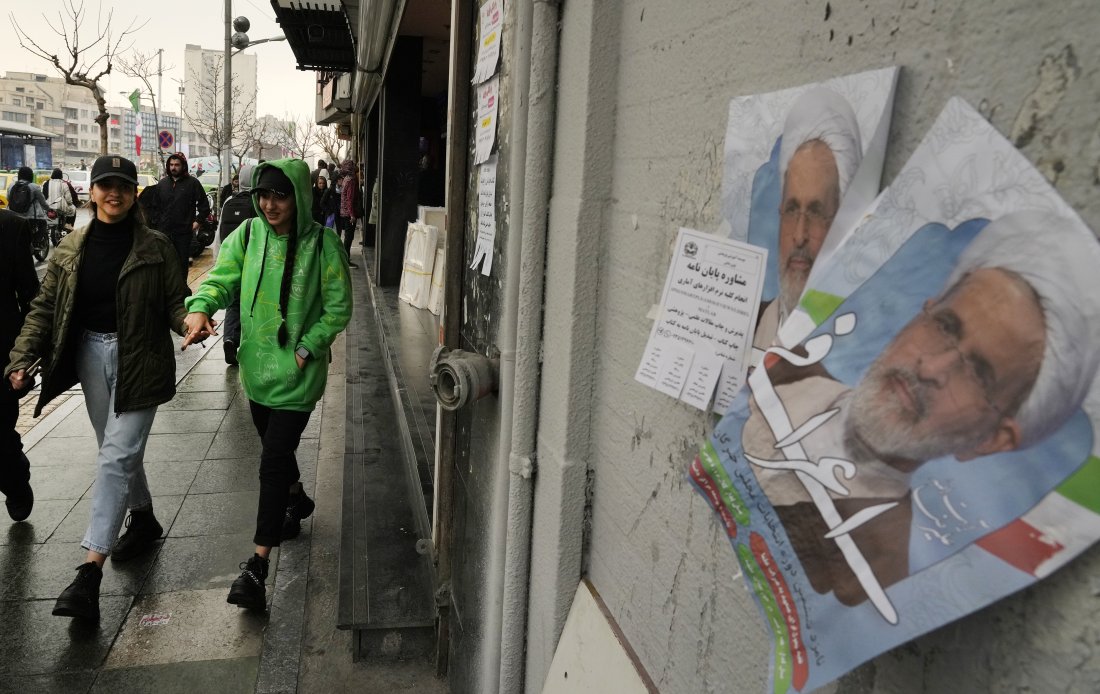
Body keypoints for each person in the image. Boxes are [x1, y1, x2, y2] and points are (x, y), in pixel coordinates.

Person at [743, 210, 1100, 606]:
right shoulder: (782, 363)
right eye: (944, 326)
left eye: (977, 373)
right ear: (920, 314)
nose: (931, 368)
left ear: (992, 440)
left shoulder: (869, 573)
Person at [6, 155, 190, 621]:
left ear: (134, 193)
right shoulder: (71, 247)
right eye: (106, 185)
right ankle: (142, 519)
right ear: (91, 192)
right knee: (115, 448)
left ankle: (89, 571)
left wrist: (190, 321)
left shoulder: (157, 246)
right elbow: (44, 307)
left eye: (123, 186)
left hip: (141, 357)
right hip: (89, 354)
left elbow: (175, 302)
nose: (114, 194)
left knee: (115, 457)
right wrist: (21, 357)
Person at [181, 159, 352, 611]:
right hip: (255, 371)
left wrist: (306, 348)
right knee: (276, 451)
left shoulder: (323, 244)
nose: (270, 204)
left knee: (273, 460)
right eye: (263, 195)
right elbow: (221, 279)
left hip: (298, 375)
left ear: (298, 196)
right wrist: (201, 308)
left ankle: (257, 566)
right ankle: (297, 499)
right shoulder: (247, 235)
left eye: (280, 195)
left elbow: (338, 308)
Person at [753, 88, 862, 353]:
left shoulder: (858, 346)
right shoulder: (752, 324)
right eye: (791, 210)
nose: (800, 235)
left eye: (816, 212)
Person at [0, 209, 39, 522]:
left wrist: (27, 357)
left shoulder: (11, 226)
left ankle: (14, 480)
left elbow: (29, 295)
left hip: (2, 353)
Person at [140, 151, 211, 277]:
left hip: (183, 233)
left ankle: (181, 289)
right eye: (171, 165)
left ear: (183, 166)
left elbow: (204, 206)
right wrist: (157, 224)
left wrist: (197, 222)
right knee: (164, 266)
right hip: (164, 233)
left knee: (181, 266)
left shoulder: (192, 183)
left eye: (177, 165)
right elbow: (155, 207)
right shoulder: (162, 184)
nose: (173, 167)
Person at [216, 164, 258, 365]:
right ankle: (250, 342)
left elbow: (219, 232)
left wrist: (220, 258)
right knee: (253, 302)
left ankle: (230, 339)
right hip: (253, 260)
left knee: (233, 302)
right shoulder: (258, 202)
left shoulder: (229, 201)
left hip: (232, 259)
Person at [8, 166, 50, 245]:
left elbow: (8, 199)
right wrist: (49, 209)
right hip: (30, 217)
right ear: (30, 175)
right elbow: (43, 202)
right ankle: (36, 242)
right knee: (43, 223)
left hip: (14, 216)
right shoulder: (34, 186)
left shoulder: (11, 185)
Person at [336, 159, 360, 268]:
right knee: (349, 238)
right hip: (348, 213)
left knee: (347, 237)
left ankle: (345, 259)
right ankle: (346, 261)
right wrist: (352, 215)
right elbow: (350, 199)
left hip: (344, 212)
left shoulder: (346, 178)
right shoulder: (351, 180)